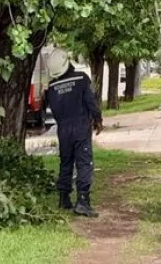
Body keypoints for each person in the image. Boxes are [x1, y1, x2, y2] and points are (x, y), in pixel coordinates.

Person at [44, 48, 104, 218]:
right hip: (80, 127)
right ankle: (83, 201)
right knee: (84, 163)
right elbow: (91, 102)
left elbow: (54, 111)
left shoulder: (52, 87)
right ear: (67, 62)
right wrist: (98, 120)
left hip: (63, 129)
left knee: (66, 162)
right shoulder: (81, 79)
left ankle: (64, 198)